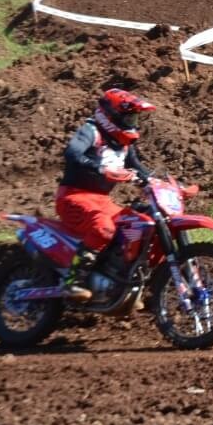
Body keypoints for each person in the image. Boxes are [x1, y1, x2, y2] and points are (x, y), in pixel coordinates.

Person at [55, 89, 156, 301]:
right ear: (111, 115)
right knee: (105, 229)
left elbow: (136, 166)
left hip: (102, 201)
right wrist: (100, 168)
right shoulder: (91, 131)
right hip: (74, 197)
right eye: (128, 117)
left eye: (134, 118)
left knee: (137, 224)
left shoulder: (124, 144)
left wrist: (156, 181)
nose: (132, 122)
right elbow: (72, 154)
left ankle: (118, 281)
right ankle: (73, 281)